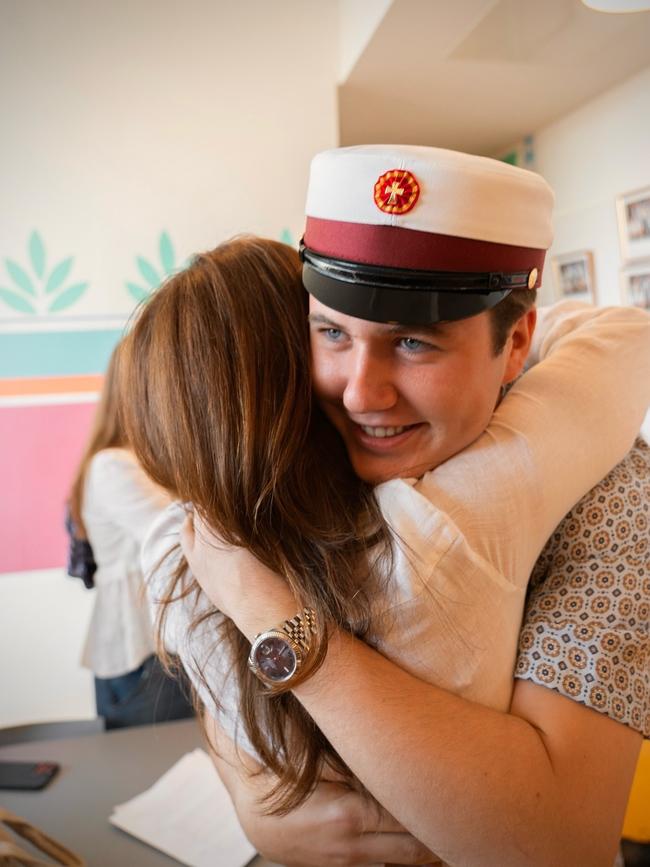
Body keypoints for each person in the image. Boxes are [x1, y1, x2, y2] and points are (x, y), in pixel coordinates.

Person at [140, 146, 649, 865]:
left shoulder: (611, 493)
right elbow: (212, 663)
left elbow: (563, 839)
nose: (360, 393)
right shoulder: (303, 453)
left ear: (516, 347)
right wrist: (249, 793)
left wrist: (276, 622)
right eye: (333, 333)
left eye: (413, 342)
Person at [67, 341, 194, 729]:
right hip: (143, 656)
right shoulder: (114, 466)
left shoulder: (144, 462)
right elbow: (183, 538)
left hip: (155, 652)